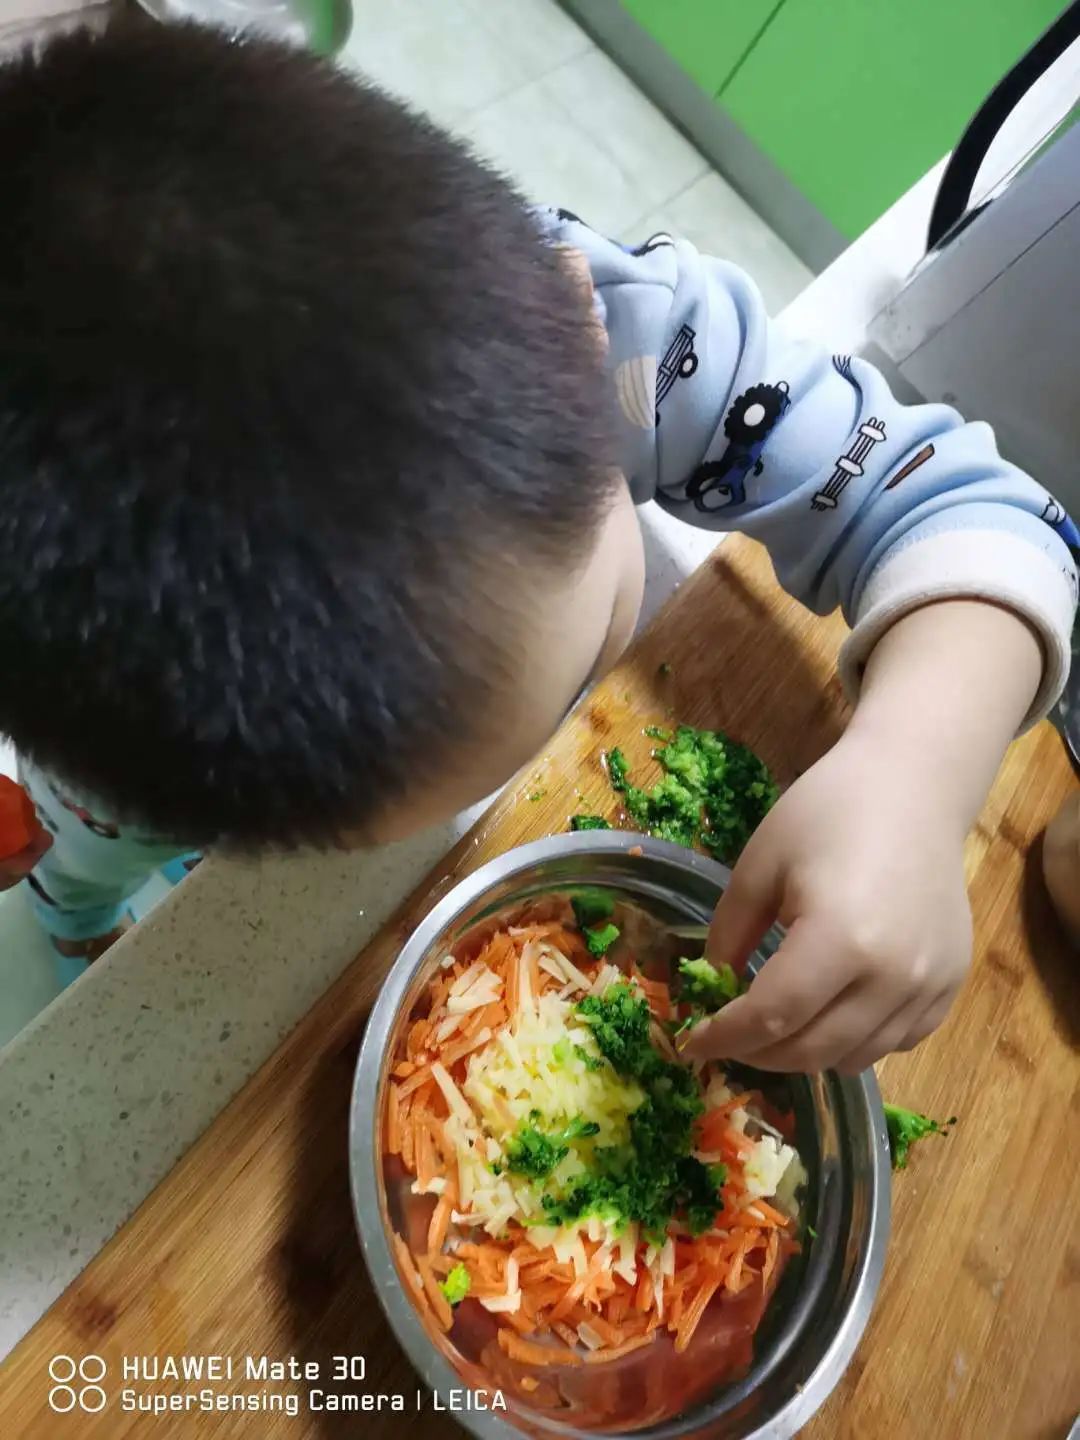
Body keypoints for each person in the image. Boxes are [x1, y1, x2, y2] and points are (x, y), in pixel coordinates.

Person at [0, 23, 1075, 1069]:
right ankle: (75, 912)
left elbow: (980, 511)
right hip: (114, 791)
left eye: (568, 677)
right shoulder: (101, 702)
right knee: (85, 851)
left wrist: (917, 773)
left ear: (580, 328)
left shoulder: (642, 351)